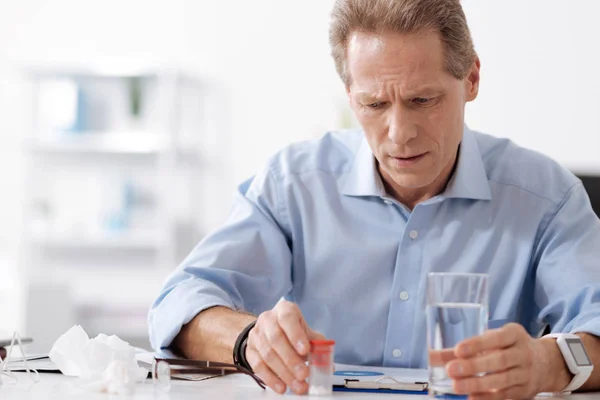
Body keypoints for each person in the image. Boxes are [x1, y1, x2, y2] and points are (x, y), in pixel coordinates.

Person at [148, 0, 600, 397]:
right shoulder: (294, 184)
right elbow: (179, 302)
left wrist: (549, 364)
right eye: (374, 105)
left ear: (472, 79)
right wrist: (248, 340)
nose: (399, 134)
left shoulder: (546, 198)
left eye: (423, 100)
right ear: (350, 94)